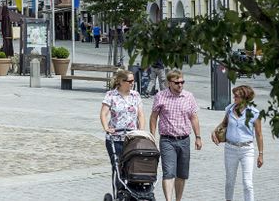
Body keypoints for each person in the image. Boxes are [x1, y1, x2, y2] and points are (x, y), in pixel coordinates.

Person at [150, 69, 202, 201]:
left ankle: (178, 199)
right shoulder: (161, 96)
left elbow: (194, 117)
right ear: (169, 83)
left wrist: (198, 137)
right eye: (177, 83)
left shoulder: (188, 96)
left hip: (184, 140)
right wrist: (152, 136)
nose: (180, 85)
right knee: (168, 173)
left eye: (182, 82)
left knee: (182, 174)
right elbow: (154, 117)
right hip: (167, 140)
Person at [212, 84, 263, 201]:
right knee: (230, 181)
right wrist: (214, 131)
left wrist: (260, 154)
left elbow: (259, 135)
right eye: (234, 96)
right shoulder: (230, 109)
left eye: (236, 96)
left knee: (247, 183)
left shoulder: (254, 113)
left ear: (245, 98)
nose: (234, 98)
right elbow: (224, 124)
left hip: (247, 150)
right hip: (230, 149)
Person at [100, 69, 145, 196]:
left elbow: (141, 115)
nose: (132, 83)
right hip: (115, 139)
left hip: (132, 138)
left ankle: (133, 192)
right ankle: (119, 194)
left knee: (134, 167)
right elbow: (103, 113)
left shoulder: (135, 95)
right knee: (118, 168)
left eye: (133, 81)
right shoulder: (111, 95)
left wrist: (141, 131)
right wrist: (106, 127)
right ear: (120, 81)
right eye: (129, 81)